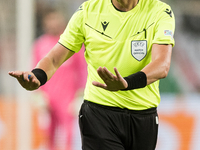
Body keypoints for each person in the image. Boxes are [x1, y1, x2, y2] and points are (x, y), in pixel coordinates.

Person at [9, 0, 175, 149]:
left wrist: (126, 83)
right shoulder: (87, 12)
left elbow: (162, 65)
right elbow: (54, 58)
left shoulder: (160, 12)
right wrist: (38, 75)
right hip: (99, 114)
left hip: (144, 116)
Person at [33, 9, 87, 150]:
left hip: (68, 98)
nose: (52, 23)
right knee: (47, 134)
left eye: (55, 19)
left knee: (68, 135)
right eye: (49, 20)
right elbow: (35, 69)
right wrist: (38, 94)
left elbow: (82, 69)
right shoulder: (40, 45)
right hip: (48, 98)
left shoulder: (70, 43)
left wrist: (80, 95)